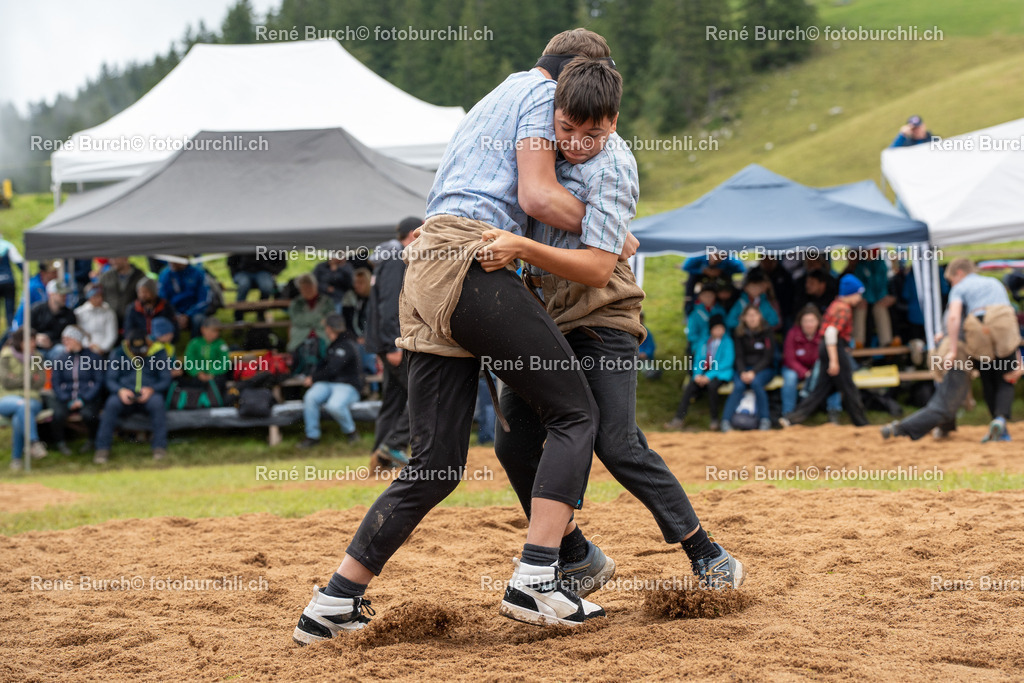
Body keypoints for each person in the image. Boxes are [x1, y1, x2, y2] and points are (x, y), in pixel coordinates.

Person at [293, 30, 633, 645]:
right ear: (573, 73)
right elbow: (533, 194)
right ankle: (537, 578)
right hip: (473, 259)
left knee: (435, 466)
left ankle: (333, 601)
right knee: (575, 412)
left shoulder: (495, 95)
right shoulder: (542, 93)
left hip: (426, 268)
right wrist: (611, 225)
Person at [483, 58, 745, 601]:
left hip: (603, 318)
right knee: (514, 442)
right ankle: (577, 557)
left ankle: (707, 554)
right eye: (567, 131)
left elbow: (600, 268)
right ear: (552, 117)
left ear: (615, 121)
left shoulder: (612, 170)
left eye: (593, 134)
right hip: (550, 317)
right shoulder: (542, 145)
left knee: (616, 441)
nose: (578, 144)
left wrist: (525, 248)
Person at [941, 258, 1021, 442]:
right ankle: (1001, 420)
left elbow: (953, 317)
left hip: (978, 325)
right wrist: (1016, 351)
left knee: (988, 377)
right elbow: (1009, 313)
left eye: (952, 279)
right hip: (1003, 322)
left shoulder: (959, 289)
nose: (952, 283)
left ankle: (997, 422)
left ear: (959, 273)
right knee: (1008, 376)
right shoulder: (994, 282)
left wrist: (952, 350)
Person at [365, 217, 421, 467]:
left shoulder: (387, 257)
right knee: (422, 394)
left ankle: (380, 456)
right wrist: (393, 345)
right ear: (412, 234)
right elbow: (390, 305)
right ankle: (395, 445)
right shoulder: (396, 259)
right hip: (393, 342)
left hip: (385, 340)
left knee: (394, 399)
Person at [781, 274, 870, 427]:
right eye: (858, 294)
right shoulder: (843, 308)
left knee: (821, 389)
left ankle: (792, 418)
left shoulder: (835, 304)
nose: (859, 298)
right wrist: (834, 360)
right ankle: (861, 423)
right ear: (851, 293)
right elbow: (830, 333)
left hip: (827, 347)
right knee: (849, 387)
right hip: (834, 347)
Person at [94, 330, 172, 464]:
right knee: (111, 404)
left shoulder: (159, 353)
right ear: (127, 344)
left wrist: (152, 389)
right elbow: (110, 379)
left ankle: (159, 447)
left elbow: (165, 379)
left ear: (148, 343)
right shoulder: (118, 353)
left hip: (149, 394)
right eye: (135, 350)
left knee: (157, 404)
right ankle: (102, 449)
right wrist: (120, 391)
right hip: (125, 394)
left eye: (143, 349)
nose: (139, 353)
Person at [298, 314, 363, 448]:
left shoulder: (347, 343)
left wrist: (314, 378)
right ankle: (312, 436)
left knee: (334, 405)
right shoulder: (333, 344)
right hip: (329, 384)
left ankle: (351, 433)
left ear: (329, 328)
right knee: (310, 397)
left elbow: (333, 369)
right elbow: (325, 366)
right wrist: (312, 376)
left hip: (348, 386)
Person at [666, 314, 734, 430]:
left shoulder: (727, 342)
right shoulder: (704, 342)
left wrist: (708, 376)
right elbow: (698, 360)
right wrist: (697, 375)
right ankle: (678, 418)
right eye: (716, 328)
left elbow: (726, 362)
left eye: (721, 328)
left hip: (720, 373)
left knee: (712, 387)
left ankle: (714, 419)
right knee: (690, 386)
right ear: (711, 329)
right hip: (703, 373)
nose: (718, 331)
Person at [48, 325, 104, 455]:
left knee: (89, 415)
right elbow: (55, 382)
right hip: (66, 397)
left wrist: (83, 399)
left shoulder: (93, 357)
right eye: (64, 339)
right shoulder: (60, 358)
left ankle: (92, 440)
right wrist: (66, 399)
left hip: (87, 397)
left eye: (68, 339)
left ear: (77, 340)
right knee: (58, 415)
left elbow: (98, 382)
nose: (65, 342)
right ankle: (60, 443)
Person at [721, 305, 775, 431]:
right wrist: (743, 372)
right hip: (743, 369)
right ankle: (726, 421)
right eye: (749, 315)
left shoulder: (767, 332)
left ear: (760, 316)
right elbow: (738, 356)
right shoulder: (739, 333)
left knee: (756, 384)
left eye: (754, 315)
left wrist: (754, 372)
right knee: (739, 386)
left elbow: (768, 357)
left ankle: (764, 420)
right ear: (743, 318)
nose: (752, 318)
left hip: (763, 369)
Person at [0, 331, 48, 469]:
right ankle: (33, 443)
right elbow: (6, 382)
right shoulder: (5, 356)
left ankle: (16, 460)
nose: (33, 344)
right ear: (19, 342)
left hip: (32, 398)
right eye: (30, 341)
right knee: (23, 406)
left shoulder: (37, 357)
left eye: (34, 340)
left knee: (19, 416)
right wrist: (28, 379)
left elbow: (40, 383)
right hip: (6, 398)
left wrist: (16, 379)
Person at [781, 306, 824, 416]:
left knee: (832, 376)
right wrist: (804, 372)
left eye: (812, 321)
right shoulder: (793, 333)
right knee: (790, 378)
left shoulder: (823, 335)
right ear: (800, 322)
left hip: (816, 368)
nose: (809, 324)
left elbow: (824, 358)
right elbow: (789, 359)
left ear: (818, 322)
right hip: (794, 367)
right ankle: (788, 413)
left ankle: (834, 412)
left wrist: (813, 372)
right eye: (805, 321)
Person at [848, 250, 895, 348]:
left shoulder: (881, 263)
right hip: (865, 298)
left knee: (880, 308)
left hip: (879, 297)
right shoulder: (861, 265)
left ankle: (886, 342)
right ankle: (857, 342)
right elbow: (860, 284)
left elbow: (882, 283)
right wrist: (865, 298)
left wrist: (880, 297)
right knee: (860, 308)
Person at [181, 317, 230, 398]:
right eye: (211, 330)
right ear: (203, 329)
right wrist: (198, 372)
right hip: (198, 375)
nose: (214, 334)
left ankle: (217, 402)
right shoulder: (194, 343)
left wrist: (212, 373)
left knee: (219, 382)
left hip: (215, 375)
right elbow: (189, 360)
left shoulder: (220, 344)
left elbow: (224, 362)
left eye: (216, 331)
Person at [158, 259, 211, 335]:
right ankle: (167, 344)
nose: (172, 263)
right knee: (161, 320)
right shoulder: (165, 274)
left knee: (199, 319)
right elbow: (163, 299)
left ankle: (195, 344)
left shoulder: (197, 273)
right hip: (173, 311)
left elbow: (204, 299)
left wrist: (188, 315)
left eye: (175, 260)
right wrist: (176, 315)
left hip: (194, 311)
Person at [227, 253, 285, 321]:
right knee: (244, 285)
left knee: (266, 287)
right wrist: (235, 272)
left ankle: (261, 313)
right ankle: (239, 318)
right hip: (242, 271)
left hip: (264, 271)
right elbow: (231, 260)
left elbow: (281, 259)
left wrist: (273, 270)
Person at [30, 280, 77, 358]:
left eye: (65, 295)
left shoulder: (69, 314)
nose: (64, 297)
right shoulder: (36, 310)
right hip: (35, 348)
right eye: (61, 295)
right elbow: (26, 330)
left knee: (61, 351)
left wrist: (52, 343)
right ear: (51, 294)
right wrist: (36, 337)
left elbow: (72, 336)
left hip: (57, 348)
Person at [98, 257, 145, 330]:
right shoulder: (106, 276)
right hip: (111, 320)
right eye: (111, 259)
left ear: (125, 258)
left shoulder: (139, 276)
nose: (113, 261)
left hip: (132, 321)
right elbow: (100, 295)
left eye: (116, 258)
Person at [11, 261, 57, 331]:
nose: (56, 275)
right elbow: (23, 309)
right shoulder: (33, 286)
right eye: (53, 273)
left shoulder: (54, 284)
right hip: (32, 324)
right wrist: (19, 328)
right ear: (43, 273)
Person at [74, 284, 118, 355]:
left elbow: (112, 335)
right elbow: (79, 333)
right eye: (96, 296)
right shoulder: (79, 313)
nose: (100, 299)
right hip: (84, 350)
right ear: (89, 297)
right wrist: (88, 346)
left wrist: (102, 348)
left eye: (101, 296)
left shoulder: (109, 313)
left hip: (104, 351)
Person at [686, 282, 725, 353]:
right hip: (700, 344)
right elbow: (692, 335)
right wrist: (703, 343)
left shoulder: (720, 310)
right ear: (699, 297)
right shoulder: (695, 314)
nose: (708, 298)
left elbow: (725, 328)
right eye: (705, 296)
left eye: (711, 296)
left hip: (720, 343)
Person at [0, 233, 24, 329]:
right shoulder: (7, 245)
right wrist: (28, 276)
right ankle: (11, 335)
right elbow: (19, 261)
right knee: (10, 312)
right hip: (8, 281)